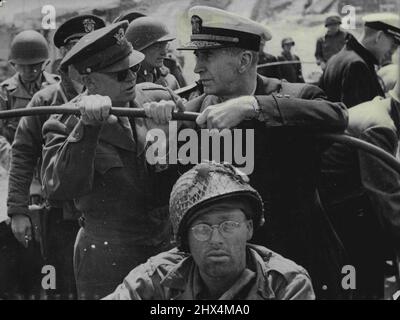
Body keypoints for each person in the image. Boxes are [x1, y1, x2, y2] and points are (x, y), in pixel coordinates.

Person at [142, 5, 349, 299]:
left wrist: (253, 106)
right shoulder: (192, 111)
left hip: (298, 266)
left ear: (244, 60)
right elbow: (160, 194)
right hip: (227, 274)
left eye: (207, 56)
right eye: (197, 56)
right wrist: (157, 136)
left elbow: (338, 116)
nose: (198, 67)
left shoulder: (295, 97)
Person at [41, 21, 180, 299]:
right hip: (107, 258)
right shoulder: (65, 121)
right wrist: (87, 129)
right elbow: (58, 188)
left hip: (164, 250)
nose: (131, 78)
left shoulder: (159, 100)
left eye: (134, 68)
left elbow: (186, 175)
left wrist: (168, 133)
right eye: (120, 74)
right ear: (90, 81)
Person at [105, 161, 315, 300]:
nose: (216, 239)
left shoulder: (284, 283)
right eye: (202, 228)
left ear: (249, 229)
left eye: (228, 226)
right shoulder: (157, 277)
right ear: (185, 239)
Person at [6, 15, 105, 300]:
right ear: (64, 54)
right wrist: (18, 211)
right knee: (58, 284)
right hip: (60, 215)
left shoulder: (120, 94)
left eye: (94, 48)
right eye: (77, 47)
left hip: (107, 215)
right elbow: (22, 154)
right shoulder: (46, 100)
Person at [319, 59, 400, 299]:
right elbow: (388, 201)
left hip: (337, 206)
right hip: (343, 216)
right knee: (363, 283)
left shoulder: (379, 108)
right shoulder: (380, 127)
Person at [0, 29, 59, 299]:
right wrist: (9, 152)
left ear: (44, 64)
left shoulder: (56, 88)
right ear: (14, 65)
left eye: (35, 66)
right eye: (23, 66)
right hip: (16, 171)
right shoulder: (4, 93)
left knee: (51, 237)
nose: (29, 71)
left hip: (49, 171)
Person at [321, 13, 399, 108]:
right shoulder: (358, 66)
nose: (392, 52)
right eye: (394, 45)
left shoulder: (338, 58)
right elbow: (360, 117)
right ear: (379, 37)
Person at [125, 17, 180, 90]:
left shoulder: (168, 77)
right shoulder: (127, 82)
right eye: (157, 47)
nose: (164, 53)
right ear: (139, 49)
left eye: (165, 46)